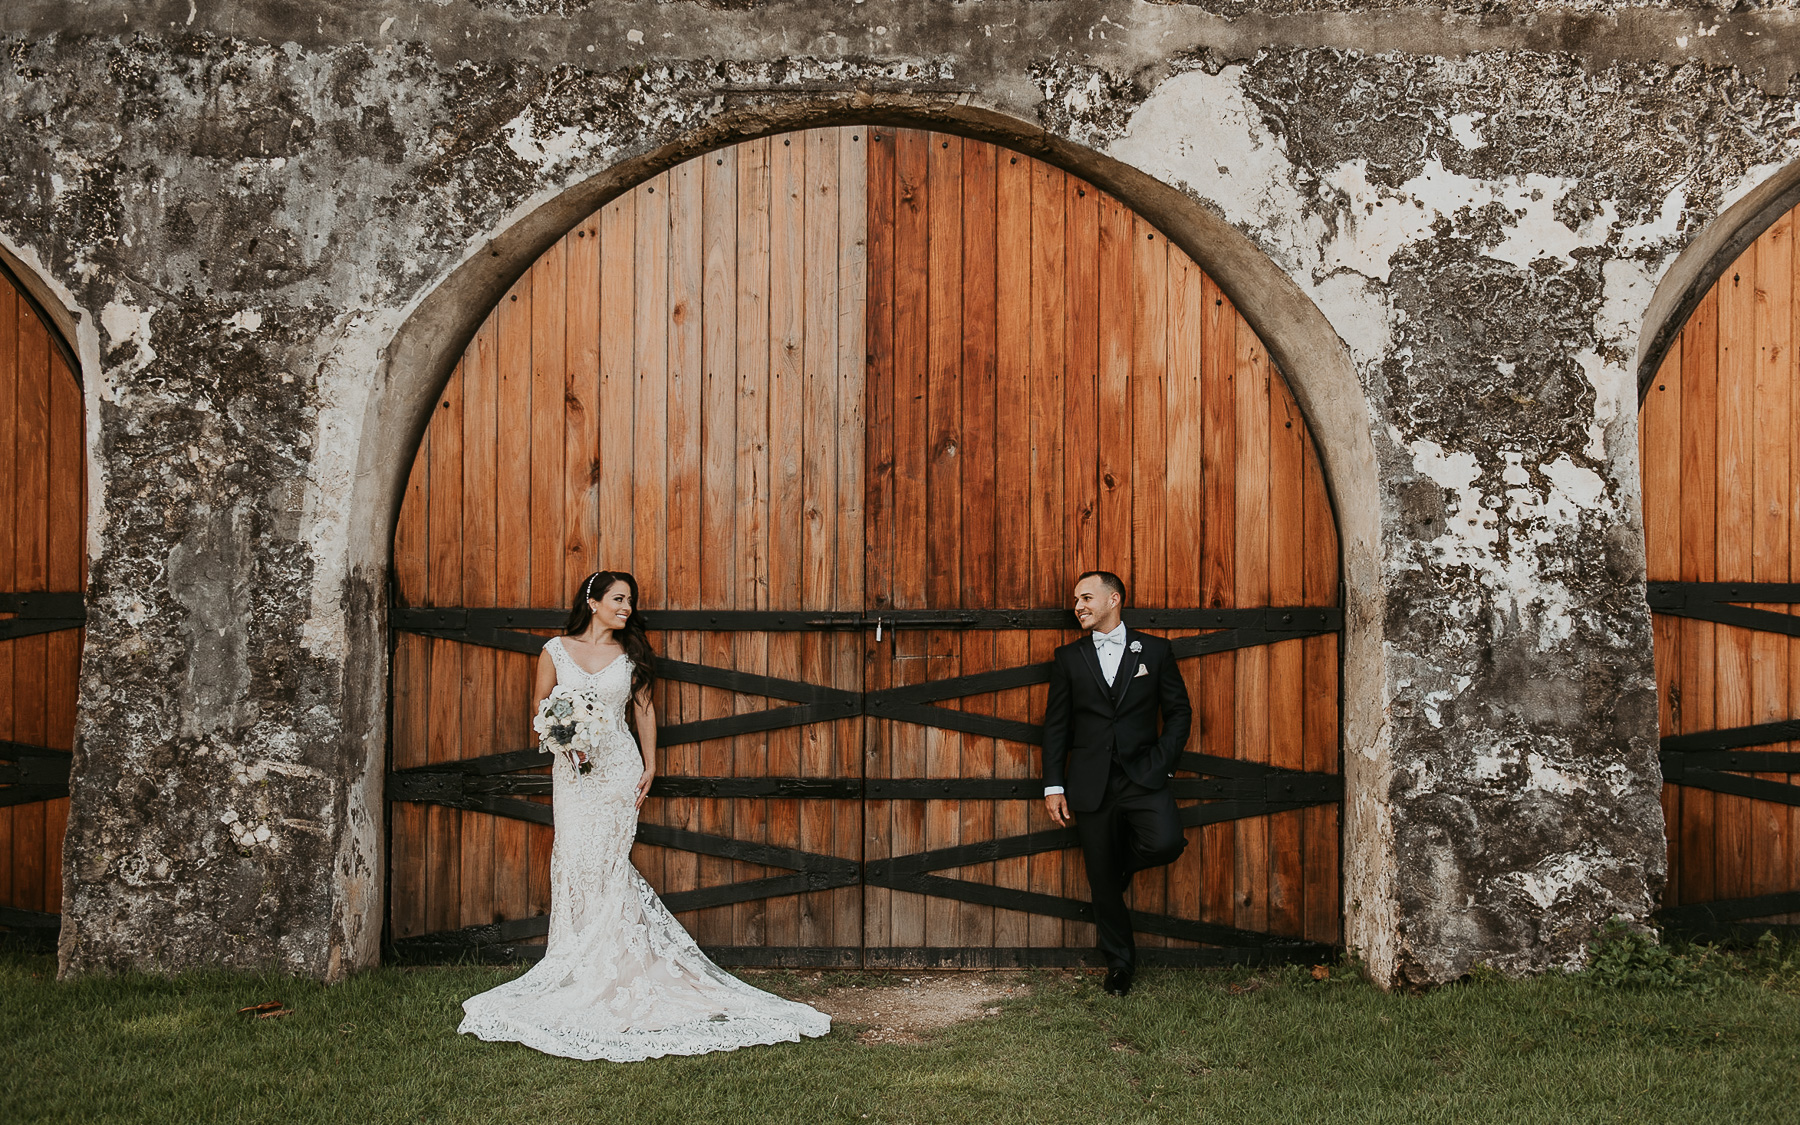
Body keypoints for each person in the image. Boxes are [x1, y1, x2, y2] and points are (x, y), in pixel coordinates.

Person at [459, 570, 830, 1060]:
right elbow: (540, 705)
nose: (626, 607)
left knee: (609, 863)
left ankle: (619, 967)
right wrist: (560, 739)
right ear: (592, 602)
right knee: (575, 858)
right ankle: (579, 963)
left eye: (630, 600)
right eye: (617, 598)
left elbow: (644, 710)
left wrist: (652, 765)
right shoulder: (553, 649)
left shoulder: (629, 657)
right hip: (573, 774)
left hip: (618, 771)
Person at [1040, 571, 1193, 997]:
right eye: (1075, 600)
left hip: (1143, 776)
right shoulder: (1068, 658)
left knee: (1166, 842)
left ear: (1114, 599)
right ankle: (1120, 966)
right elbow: (1056, 726)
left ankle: (1120, 866)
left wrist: (1162, 764)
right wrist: (1054, 785)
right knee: (1102, 883)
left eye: (1086, 598)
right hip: (1089, 784)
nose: (1078, 606)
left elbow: (1179, 713)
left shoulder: (1157, 651)